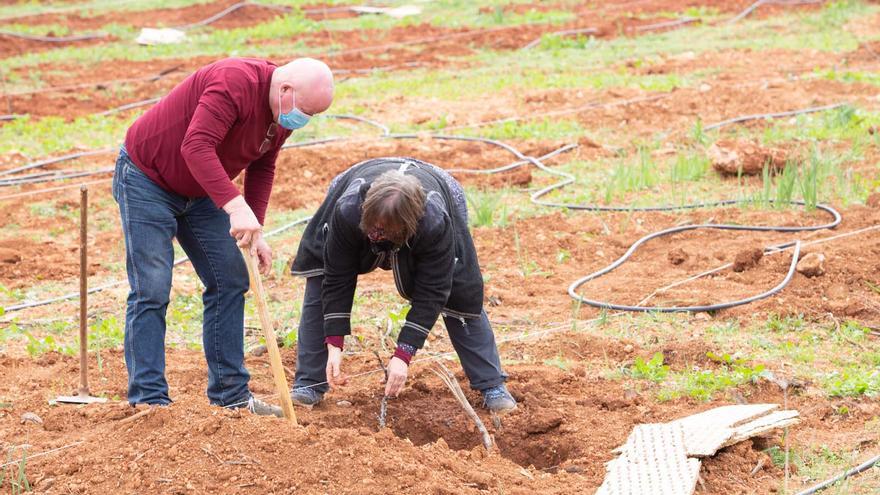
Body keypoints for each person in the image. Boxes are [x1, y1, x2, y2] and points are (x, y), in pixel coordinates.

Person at [112, 57, 334, 415]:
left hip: (200, 190)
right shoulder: (234, 82)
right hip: (147, 179)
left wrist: (254, 226)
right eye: (305, 111)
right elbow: (195, 146)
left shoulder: (283, 113)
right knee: (151, 287)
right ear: (286, 90)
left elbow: (264, 165)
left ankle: (231, 396)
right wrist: (235, 206)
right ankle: (150, 400)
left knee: (231, 278)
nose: (302, 121)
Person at [289, 157, 517, 412]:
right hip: (354, 193)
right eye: (372, 229)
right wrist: (334, 343)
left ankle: (492, 384)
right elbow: (337, 279)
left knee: (459, 290)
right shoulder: (349, 209)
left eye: (383, 232)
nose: (375, 236)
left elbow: (433, 291)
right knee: (321, 276)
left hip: (437, 193)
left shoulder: (434, 222)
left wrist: (403, 355)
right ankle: (308, 382)